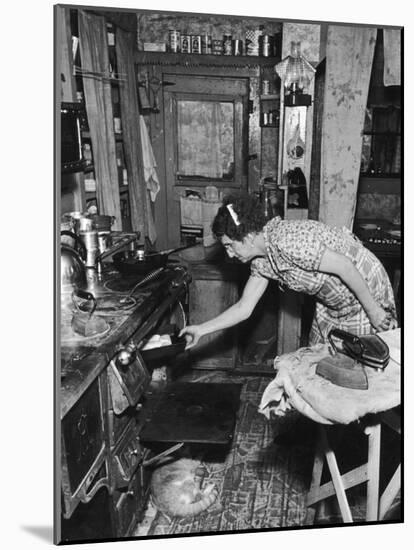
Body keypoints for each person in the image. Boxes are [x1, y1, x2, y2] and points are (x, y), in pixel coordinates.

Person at [180, 192, 397, 349]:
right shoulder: (261, 262)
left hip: (363, 286)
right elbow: (243, 308)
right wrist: (201, 329)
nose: (229, 254)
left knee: (360, 366)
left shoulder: (288, 241)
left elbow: (345, 266)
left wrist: (374, 311)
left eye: (229, 245)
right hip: (333, 301)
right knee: (319, 364)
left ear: (246, 237)